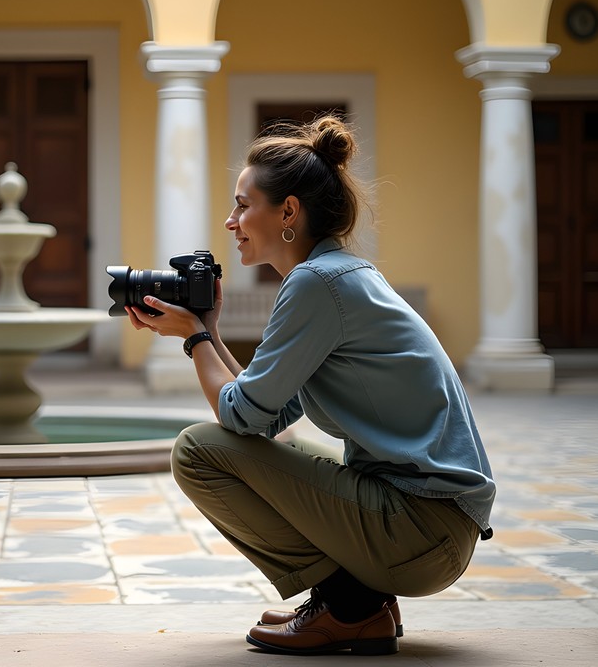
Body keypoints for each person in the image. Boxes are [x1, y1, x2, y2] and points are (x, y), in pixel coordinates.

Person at [126, 114, 495, 657]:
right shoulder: (335, 276)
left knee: (196, 452)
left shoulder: (316, 284)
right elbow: (266, 414)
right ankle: (359, 602)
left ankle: (349, 604)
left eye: (243, 205)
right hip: (432, 526)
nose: (231, 221)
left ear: (289, 212)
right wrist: (209, 333)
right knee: (270, 443)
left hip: (421, 528)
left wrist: (194, 340)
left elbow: (239, 417)